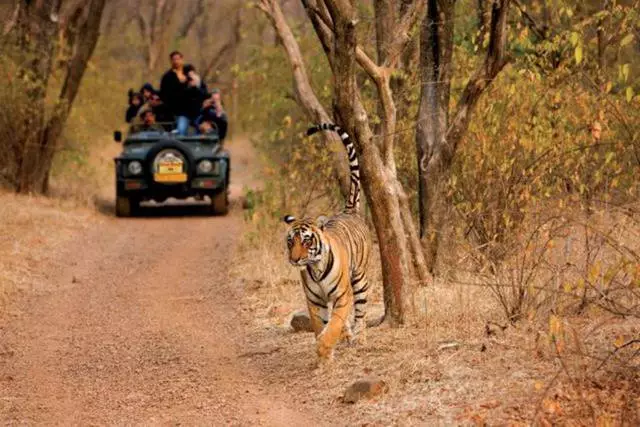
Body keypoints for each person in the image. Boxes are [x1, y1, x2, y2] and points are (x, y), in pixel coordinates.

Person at [159, 51, 190, 135]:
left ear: (182, 59)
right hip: (171, 112)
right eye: (174, 59)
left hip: (186, 111)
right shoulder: (167, 77)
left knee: (181, 132)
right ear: (171, 61)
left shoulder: (188, 74)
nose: (176, 61)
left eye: (178, 59)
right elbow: (163, 94)